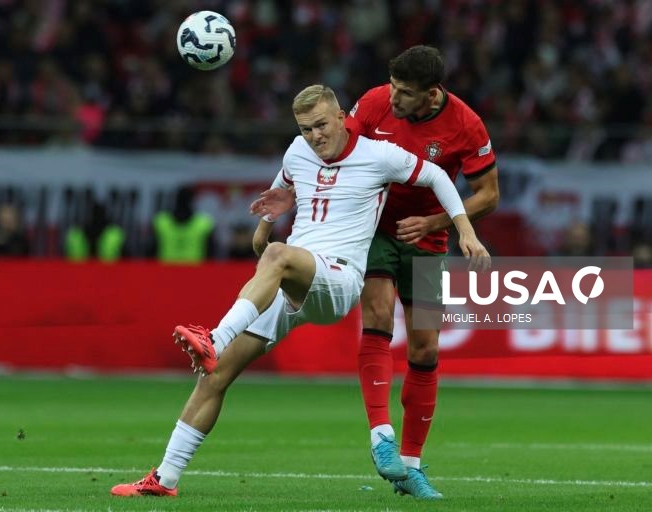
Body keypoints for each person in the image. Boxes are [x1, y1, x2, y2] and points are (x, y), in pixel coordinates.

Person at [110, 84, 490, 498]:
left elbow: (436, 175)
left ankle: (215, 337)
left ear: (343, 117)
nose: (316, 136)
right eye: (307, 129)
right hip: (294, 276)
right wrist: (264, 224)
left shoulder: (378, 155)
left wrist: (463, 231)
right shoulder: (298, 150)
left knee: (276, 257)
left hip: (338, 279)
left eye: (322, 125)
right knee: (213, 375)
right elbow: (284, 180)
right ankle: (164, 479)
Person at [251, 46, 500, 500]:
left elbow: (488, 193)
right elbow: (326, 150)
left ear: (431, 95)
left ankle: (411, 465)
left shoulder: (466, 124)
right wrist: (283, 199)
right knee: (379, 316)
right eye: (393, 85)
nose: (394, 97)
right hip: (374, 229)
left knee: (424, 348)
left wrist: (440, 224)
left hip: (428, 238)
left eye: (405, 93)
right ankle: (380, 437)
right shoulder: (371, 104)